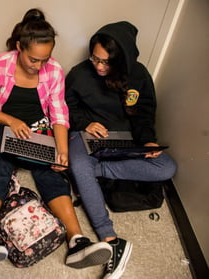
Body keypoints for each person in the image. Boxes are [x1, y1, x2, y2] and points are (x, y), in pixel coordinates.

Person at [0, 8, 112, 268]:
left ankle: (77, 241)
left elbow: (58, 114)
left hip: (38, 128)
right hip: (1, 124)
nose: (39, 66)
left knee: (51, 172)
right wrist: (11, 120)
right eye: (34, 59)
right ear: (18, 48)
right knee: (0, 169)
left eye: (45, 59)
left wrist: (62, 150)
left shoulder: (54, 71)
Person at [65, 21, 177, 278]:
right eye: (95, 58)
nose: (99, 66)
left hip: (124, 140)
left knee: (167, 167)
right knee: (80, 163)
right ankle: (111, 239)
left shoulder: (139, 76)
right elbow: (65, 108)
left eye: (106, 62)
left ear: (122, 60)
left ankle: (96, 172)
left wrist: (148, 140)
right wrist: (85, 123)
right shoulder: (79, 74)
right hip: (86, 136)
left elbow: (145, 113)